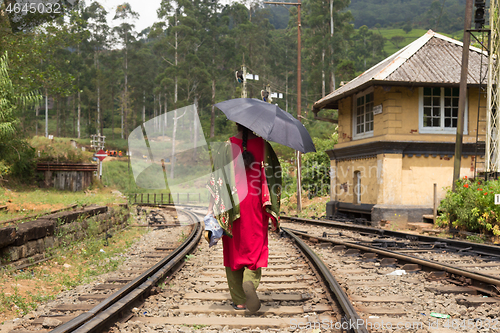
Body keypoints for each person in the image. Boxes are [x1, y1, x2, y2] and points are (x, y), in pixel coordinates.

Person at [206, 123, 281, 313]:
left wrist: (209, 211)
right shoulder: (264, 146)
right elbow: (275, 177)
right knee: (256, 248)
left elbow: (215, 181)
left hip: (231, 208)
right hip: (256, 205)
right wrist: (275, 212)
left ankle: (239, 301)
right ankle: (250, 281)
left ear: (236, 124)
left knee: (233, 252)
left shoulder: (225, 147)